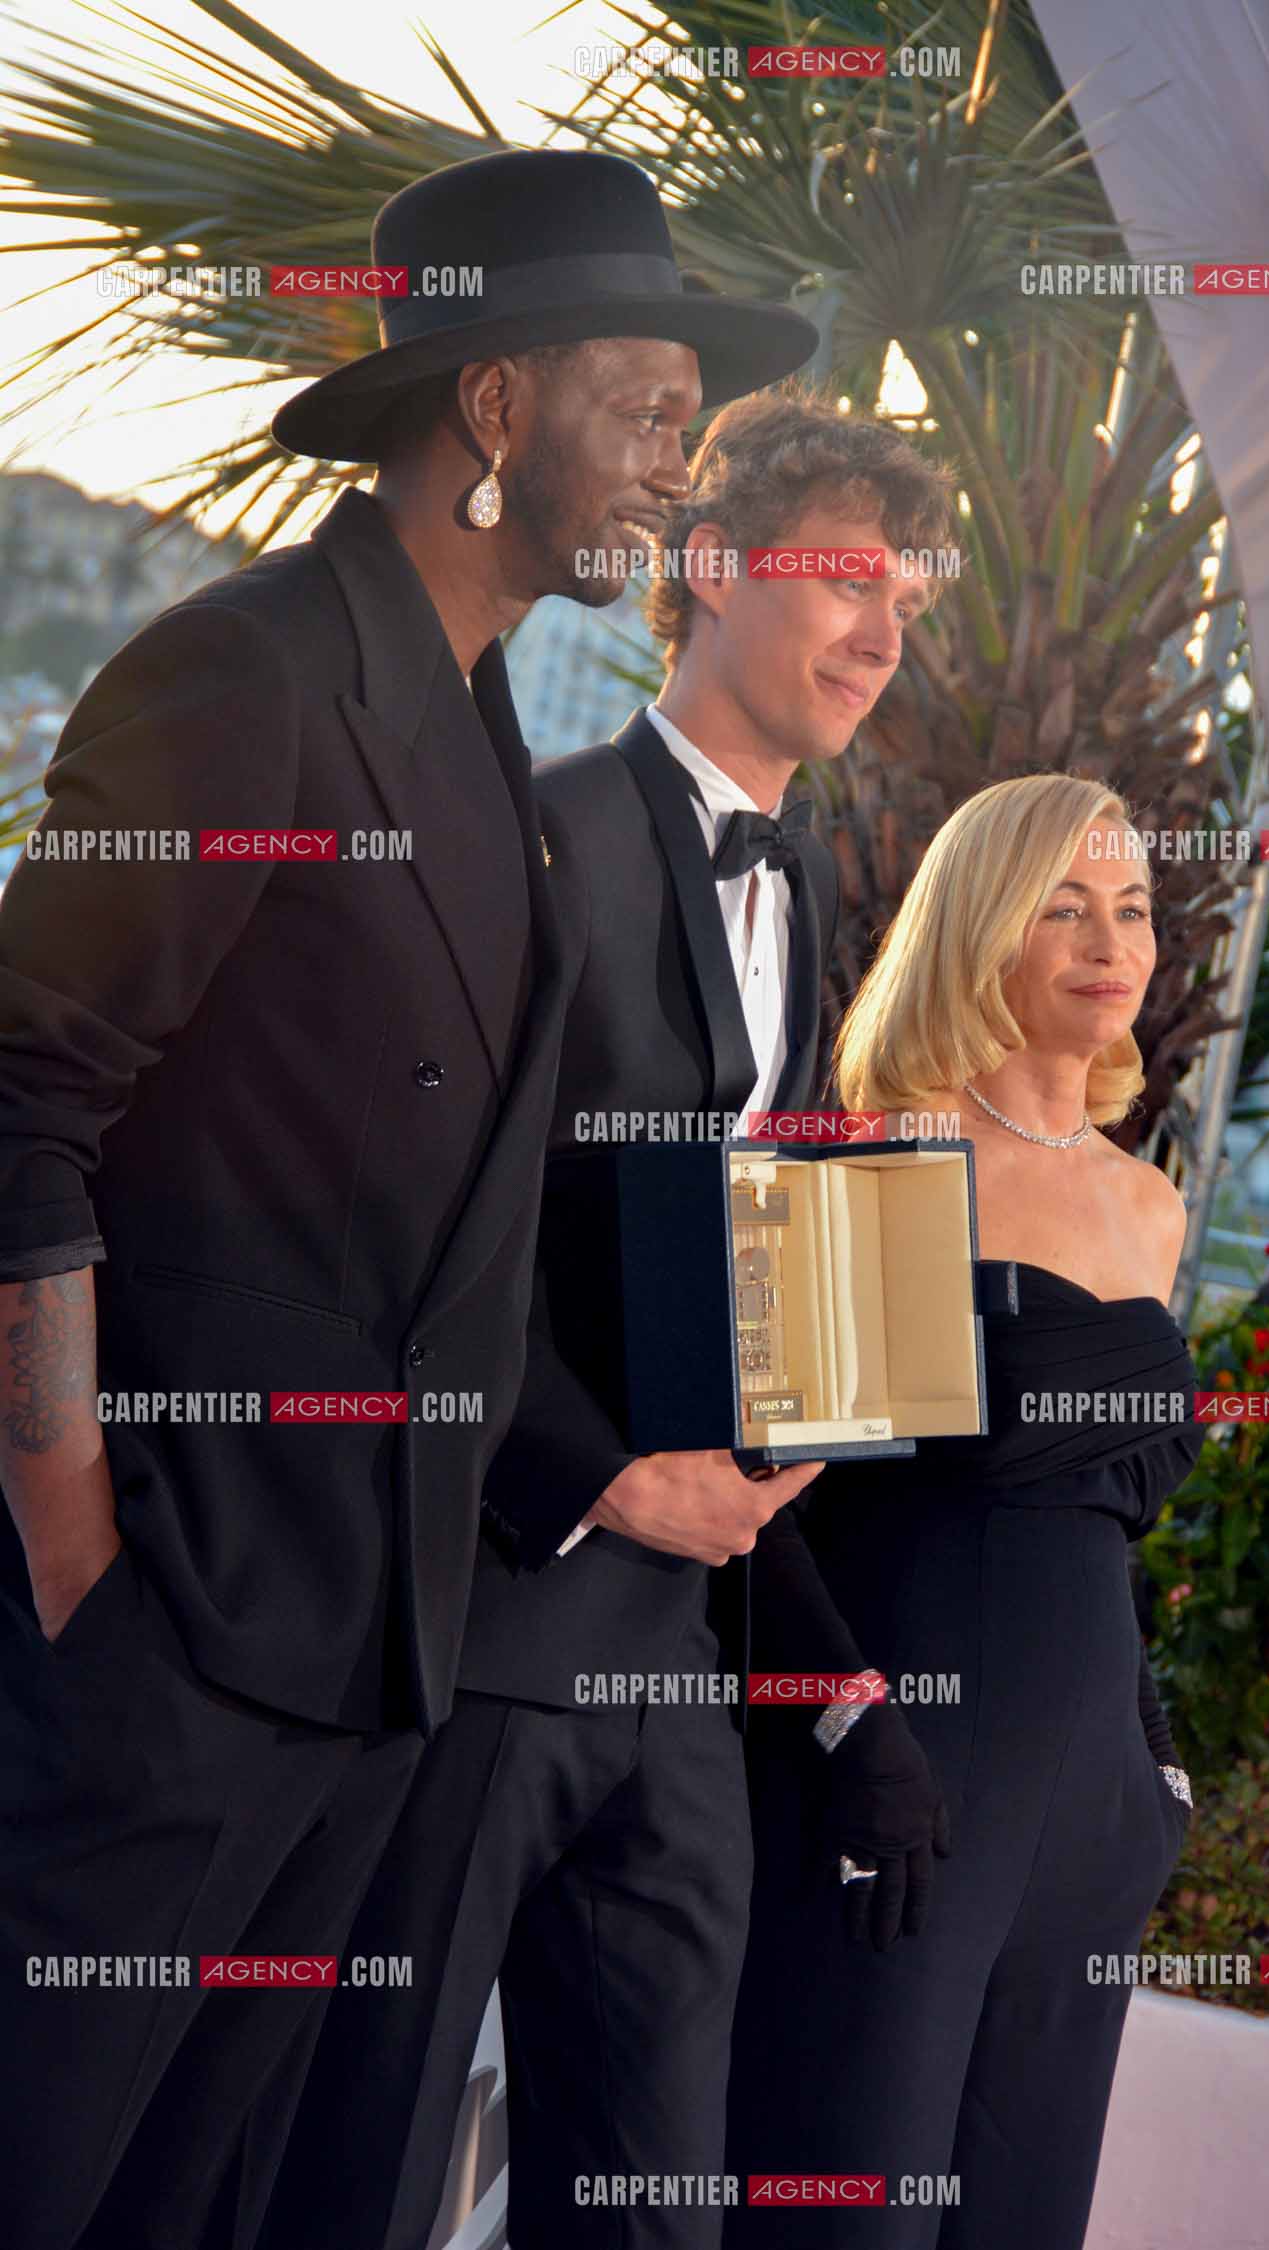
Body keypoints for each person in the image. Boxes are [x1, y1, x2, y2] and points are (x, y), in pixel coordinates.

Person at [0, 146, 814, 2250]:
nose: (668, 471)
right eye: (645, 410)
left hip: (374, 1667)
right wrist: (80, 1538)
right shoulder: (250, 673)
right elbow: (20, 1096)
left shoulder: (482, 742)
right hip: (170, 1633)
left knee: (191, 2207)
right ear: (494, 409)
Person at [264, 383, 959, 2250]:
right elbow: (410, 1236)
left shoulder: (807, 886)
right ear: (713, 570)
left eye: (908, 597)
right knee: (371, 2161)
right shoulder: (540, 832)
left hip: (683, 1680)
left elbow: (762, 1295)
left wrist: (824, 1663)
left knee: (654, 2196)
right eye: (843, 580)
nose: (885, 634)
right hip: (481, 1626)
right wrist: (603, 1476)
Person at [725, 773, 1206, 2249]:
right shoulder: (875, 1146)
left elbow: (1107, 1525)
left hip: (1096, 1812)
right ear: (978, 926)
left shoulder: (1153, 1203)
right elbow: (760, 1514)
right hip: (905, 1784)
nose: (1107, 937)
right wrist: (848, 1729)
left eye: (1129, 905)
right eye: (1061, 902)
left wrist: (1158, 1758)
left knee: (1022, 2208)